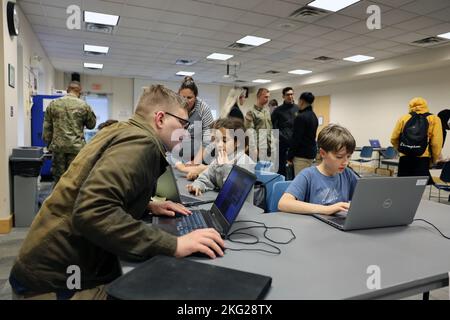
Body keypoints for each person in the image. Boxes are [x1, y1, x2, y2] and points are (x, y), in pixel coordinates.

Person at [9, 85, 225, 300]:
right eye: (182, 123)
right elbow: (92, 211)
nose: (185, 132)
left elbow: (91, 188)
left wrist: (147, 204)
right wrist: (174, 244)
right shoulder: (141, 143)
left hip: (45, 264)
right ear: (160, 119)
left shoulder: (122, 130)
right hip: (55, 282)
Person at [278, 124, 358, 215]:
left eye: (348, 156)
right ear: (323, 153)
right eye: (339, 157)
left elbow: (366, 197)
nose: (345, 162)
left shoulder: (347, 174)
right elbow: (283, 203)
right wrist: (327, 209)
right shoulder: (308, 175)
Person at [186, 118, 255, 201]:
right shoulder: (219, 159)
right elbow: (206, 178)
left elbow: (234, 193)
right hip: (223, 204)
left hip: (243, 210)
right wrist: (197, 185)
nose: (219, 145)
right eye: (217, 140)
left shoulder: (245, 163)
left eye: (225, 140)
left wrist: (225, 167)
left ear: (238, 142)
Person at [43, 81, 96, 184]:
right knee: (74, 179)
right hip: (76, 148)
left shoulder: (53, 104)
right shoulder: (84, 105)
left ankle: (57, 199)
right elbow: (91, 125)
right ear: (79, 92)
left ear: (67, 90)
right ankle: (72, 200)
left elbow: (47, 127)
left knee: (58, 179)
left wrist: (49, 145)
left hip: (58, 148)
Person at [391, 97, 443, 179]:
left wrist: (401, 150)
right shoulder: (434, 119)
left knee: (403, 184)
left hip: (405, 157)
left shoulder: (404, 118)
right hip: (422, 158)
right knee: (419, 186)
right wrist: (434, 159)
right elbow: (436, 143)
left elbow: (393, 138)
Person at [175, 76, 214, 177]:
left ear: (195, 96)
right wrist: (178, 162)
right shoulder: (174, 106)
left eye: (189, 97)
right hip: (178, 157)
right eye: (182, 97)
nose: (186, 101)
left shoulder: (203, 109)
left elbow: (207, 142)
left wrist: (194, 163)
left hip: (199, 157)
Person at [288, 92, 319, 176]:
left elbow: (296, 139)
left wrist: (289, 156)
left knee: (300, 182)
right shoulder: (314, 116)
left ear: (301, 101)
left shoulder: (301, 117)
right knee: (308, 179)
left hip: (301, 156)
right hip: (311, 154)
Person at [271, 87, 298, 177]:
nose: (290, 96)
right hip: (282, 144)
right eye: (288, 95)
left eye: (291, 94)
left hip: (295, 144)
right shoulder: (278, 111)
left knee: (296, 168)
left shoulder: (298, 109)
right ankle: (281, 186)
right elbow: (273, 127)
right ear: (283, 96)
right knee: (281, 169)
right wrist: (281, 137)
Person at [244, 88, 273, 161]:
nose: (268, 99)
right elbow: (250, 131)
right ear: (259, 96)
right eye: (266, 97)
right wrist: (254, 148)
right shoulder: (251, 112)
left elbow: (270, 129)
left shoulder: (267, 112)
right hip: (258, 147)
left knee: (266, 171)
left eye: (268, 97)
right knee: (256, 171)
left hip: (268, 147)